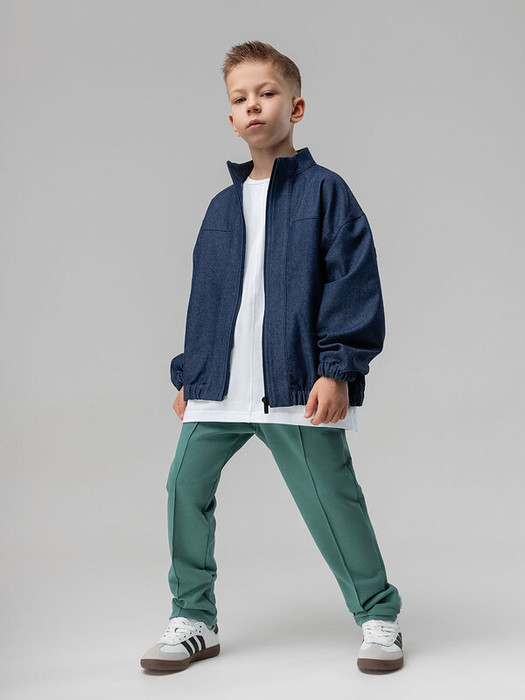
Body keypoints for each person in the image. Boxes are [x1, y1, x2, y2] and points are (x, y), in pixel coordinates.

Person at [141, 40, 404, 675]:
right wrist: (191, 373)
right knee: (183, 488)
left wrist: (338, 369)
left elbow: (352, 283)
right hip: (221, 385)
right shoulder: (221, 206)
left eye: (267, 93)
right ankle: (194, 619)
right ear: (231, 118)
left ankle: (379, 614)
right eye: (240, 98)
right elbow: (207, 298)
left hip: (295, 382)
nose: (253, 105)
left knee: (332, 498)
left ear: (296, 107)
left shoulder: (326, 193)